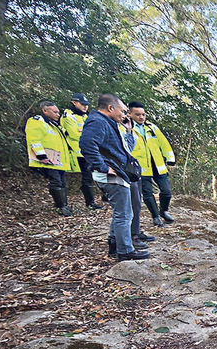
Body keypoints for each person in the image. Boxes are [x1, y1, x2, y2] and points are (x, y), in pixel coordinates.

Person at [79, 93, 150, 261]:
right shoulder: (98, 122)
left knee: (121, 213)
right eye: (123, 111)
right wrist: (103, 167)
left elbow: (127, 149)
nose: (124, 115)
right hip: (112, 176)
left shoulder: (110, 124)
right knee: (124, 215)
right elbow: (86, 144)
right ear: (110, 108)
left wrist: (128, 130)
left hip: (119, 175)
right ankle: (125, 251)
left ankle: (114, 245)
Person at [127, 102, 176, 227]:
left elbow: (164, 143)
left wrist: (170, 158)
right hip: (140, 167)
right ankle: (155, 216)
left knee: (166, 192)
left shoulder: (151, 127)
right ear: (130, 114)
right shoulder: (127, 129)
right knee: (147, 193)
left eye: (143, 114)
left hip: (157, 164)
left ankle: (163, 211)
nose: (141, 117)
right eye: (138, 115)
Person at [25, 101, 75, 216]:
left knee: (62, 182)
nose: (58, 114)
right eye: (55, 112)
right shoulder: (37, 121)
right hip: (47, 159)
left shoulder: (54, 125)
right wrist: (41, 155)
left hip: (58, 160)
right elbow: (34, 139)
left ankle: (64, 205)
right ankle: (60, 207)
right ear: (45, 110)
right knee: (56, 181)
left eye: (58, 112)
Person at [61, 93, 103, 210]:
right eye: (83, 104)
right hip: (76, 151)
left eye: (87, 105)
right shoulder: (68, 115)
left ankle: (91, 202)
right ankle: (86, 203)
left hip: (88, 151)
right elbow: (74, 134)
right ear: (74, 102)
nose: (85, 107)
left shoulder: (85, 116)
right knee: (84, 176)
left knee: (89, 176)